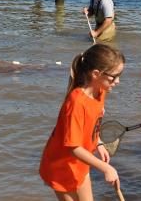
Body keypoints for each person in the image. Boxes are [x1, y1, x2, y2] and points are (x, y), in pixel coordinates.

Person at [39, 44, 125, 200]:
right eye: (114, 76)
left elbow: (92, 124)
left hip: (80, 163)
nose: (118, 81)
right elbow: (73, 147)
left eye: (120, 75)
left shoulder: (101, 91)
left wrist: (98, 142)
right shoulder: (77, 103)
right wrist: (105, 168)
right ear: (96, 74)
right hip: (62, 166)